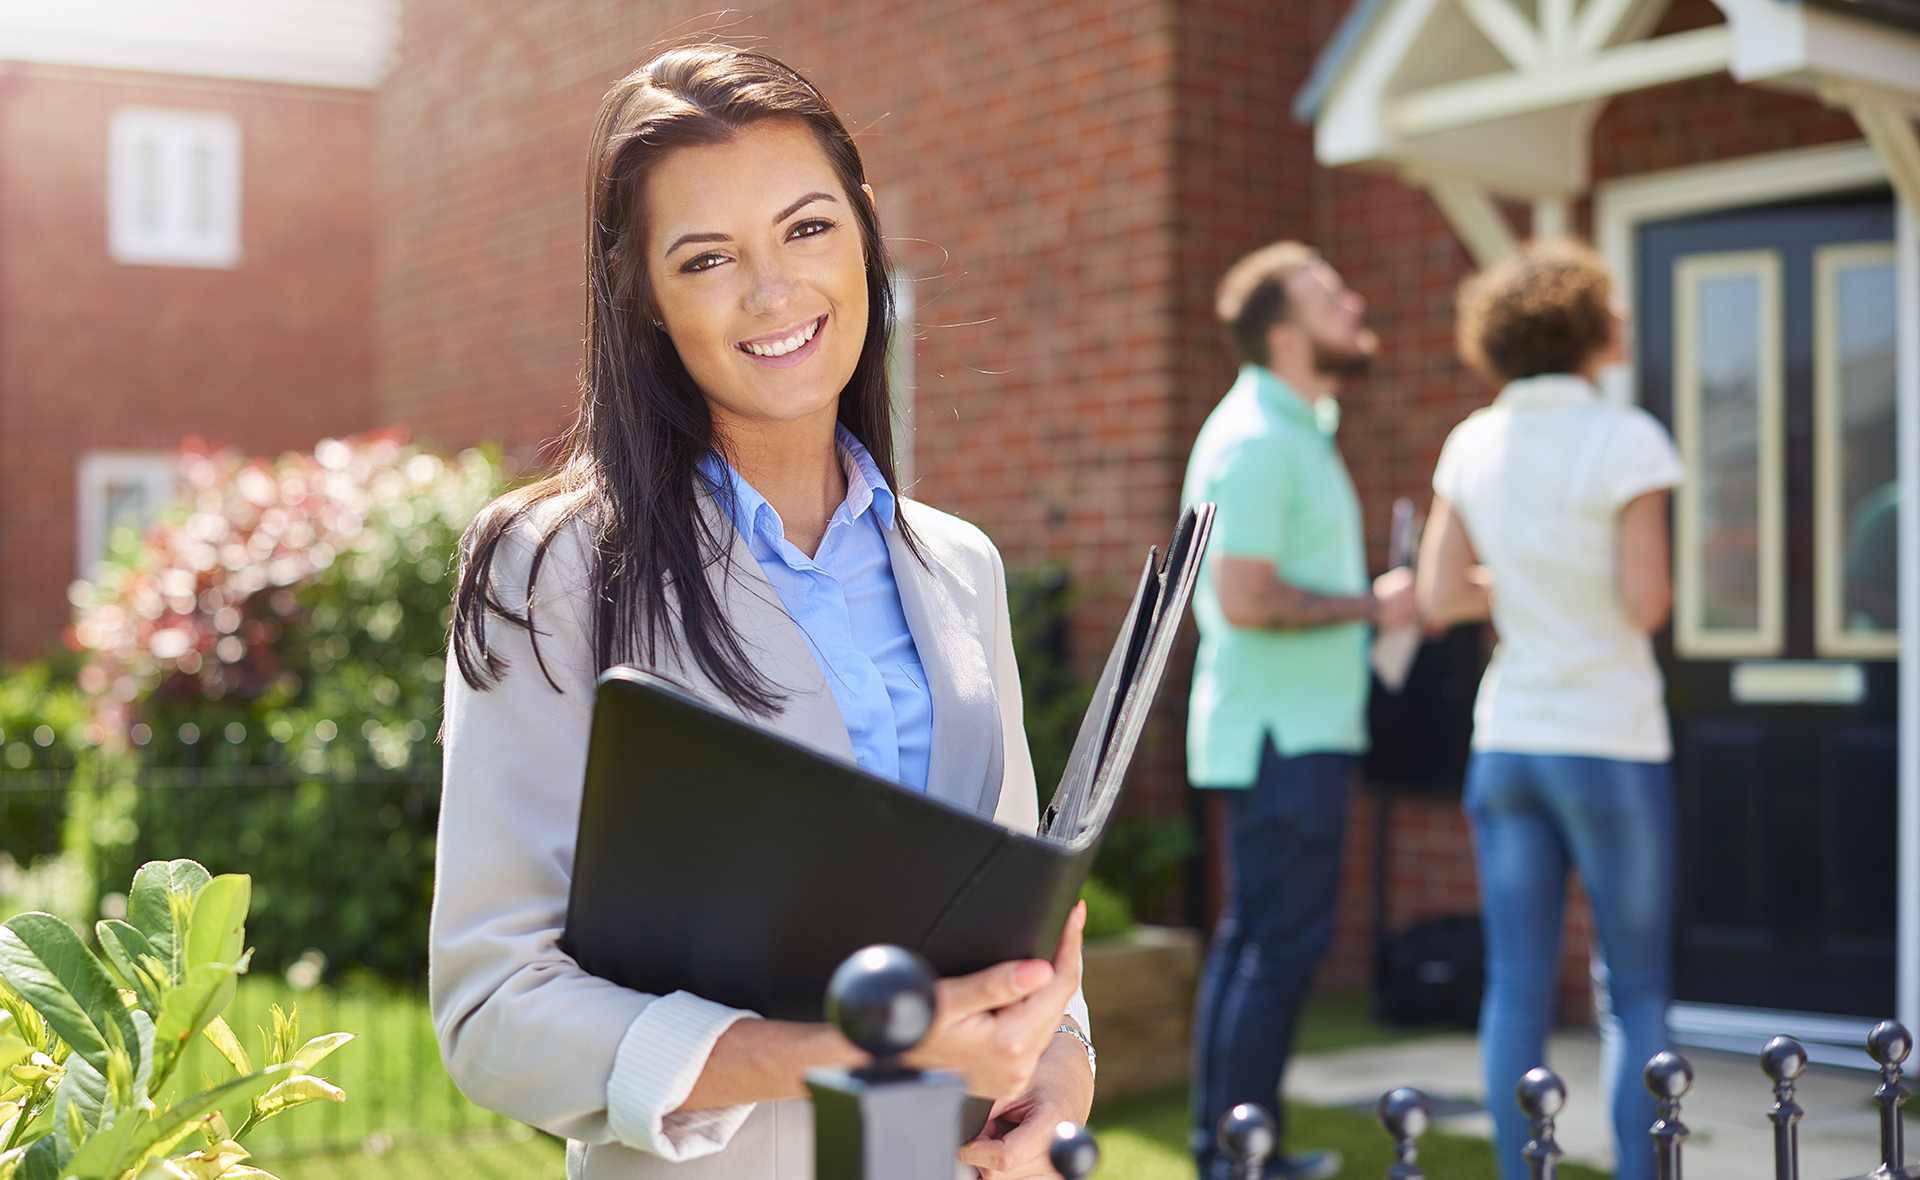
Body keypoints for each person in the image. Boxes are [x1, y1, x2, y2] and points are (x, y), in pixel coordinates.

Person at [430, 47, 1094, 1180]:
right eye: (706, 257)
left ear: (865, 231)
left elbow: (1013, 932)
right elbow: (495, 1008)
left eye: (807, 229)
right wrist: (829, 1050)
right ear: (641, 292)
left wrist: (1057, 1072)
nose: (775, 291)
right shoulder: (552, 566)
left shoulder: (959, 568)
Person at [1415, 238, 1683, 1180]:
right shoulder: (1629, 437)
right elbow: (1647, 604)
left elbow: (1439, 595)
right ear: (1586, 324)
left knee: (1517, 984)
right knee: (1636, 990)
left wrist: (1526, 581)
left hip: (1510, 746)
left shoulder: (1473, 438)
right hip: (1610, 743)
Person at [1183, 241, 1416, 1180]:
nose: (1354, 301)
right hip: (1283, 739)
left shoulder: (1296, 426)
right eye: (1330, 296)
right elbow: (1244, 598)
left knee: (1259, 945)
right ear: (1285, 333)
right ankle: (1239, 1155)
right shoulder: (1258, 439)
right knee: (1274, 952)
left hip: (1294, 733)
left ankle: (1236, 1148)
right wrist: (1374, 605)